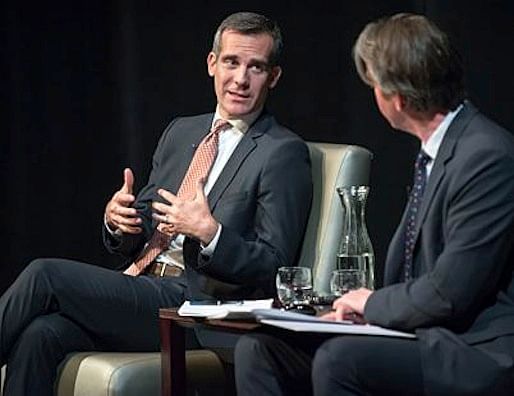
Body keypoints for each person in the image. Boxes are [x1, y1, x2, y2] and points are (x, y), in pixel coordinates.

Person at [0, 11, 312, 395]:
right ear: (212, 64)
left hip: (194, 307)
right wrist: (120, 222)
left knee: (44, 275)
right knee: (41, 334)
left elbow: (276, 261)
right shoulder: (182, 131)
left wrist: (211, 233)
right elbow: (144, 223)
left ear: (274, 77)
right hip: (141, 286)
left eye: (256, 67)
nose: (241, 79)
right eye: (231, 62)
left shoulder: (282, 152)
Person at [235, 13, 514, 396]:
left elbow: (450, 292)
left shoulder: (485, 156)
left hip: (469, 349)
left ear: (396, 97)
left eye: (374, 86)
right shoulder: (441, 151)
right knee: (261, 350)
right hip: (419, 330)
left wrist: (373, 304)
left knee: (341, 361)